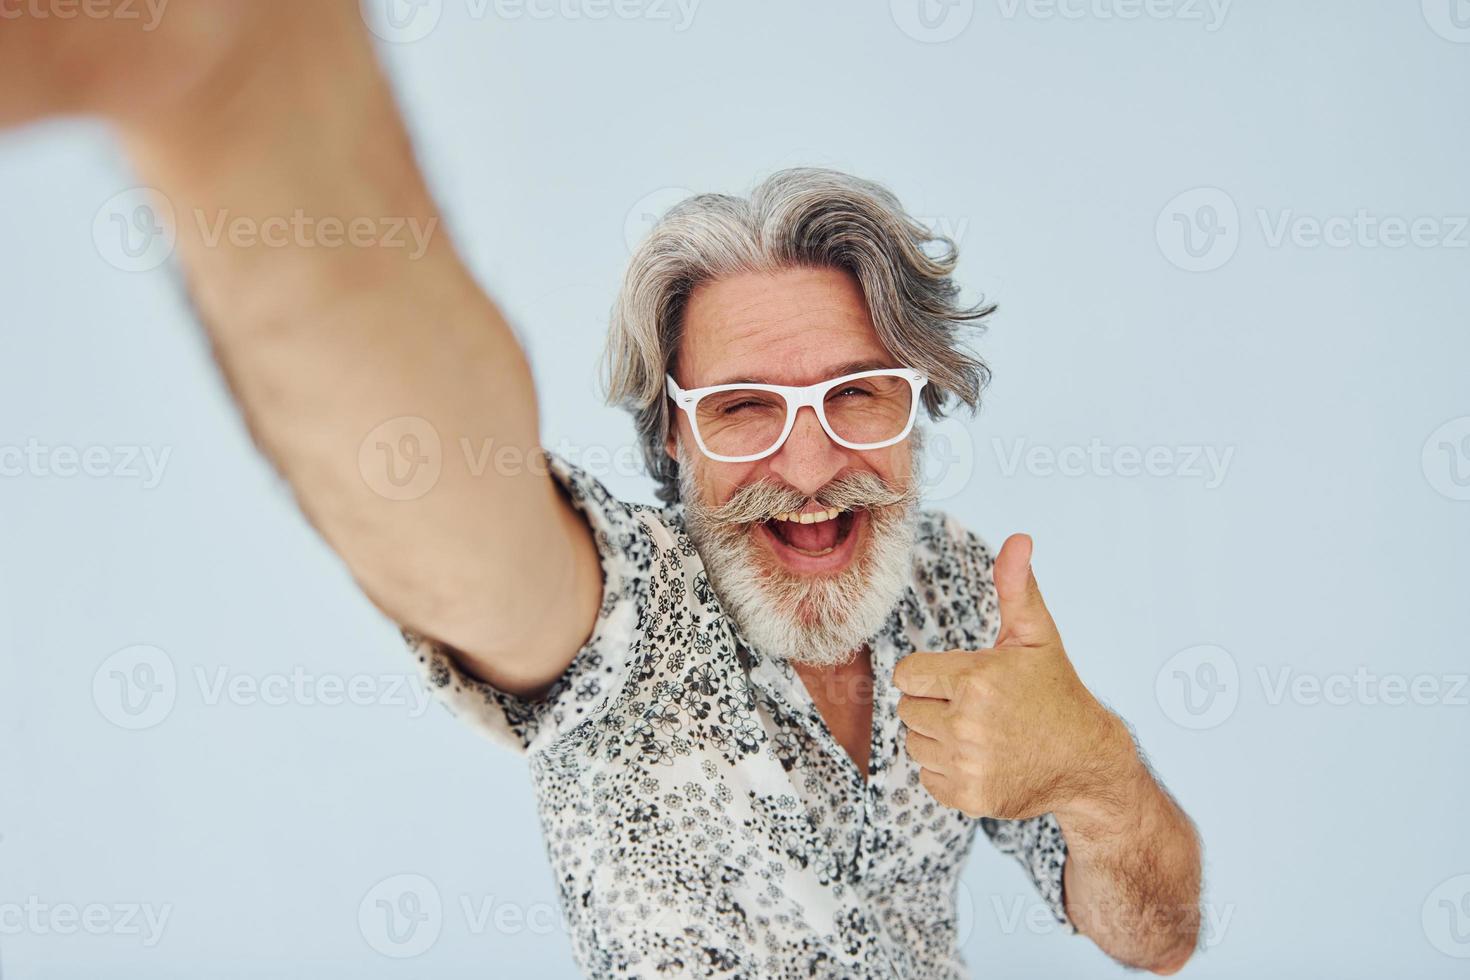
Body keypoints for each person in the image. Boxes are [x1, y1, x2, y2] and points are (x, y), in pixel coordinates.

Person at [2, 3, 1202, 976]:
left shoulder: (958, 589)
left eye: (857, 393)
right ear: (670, 442)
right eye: (741, 408)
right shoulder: (629, 620)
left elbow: (1162, 935)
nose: (808, 462)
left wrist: (1097, 767)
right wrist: (243, 98)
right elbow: (455, 512)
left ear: (917, 402)